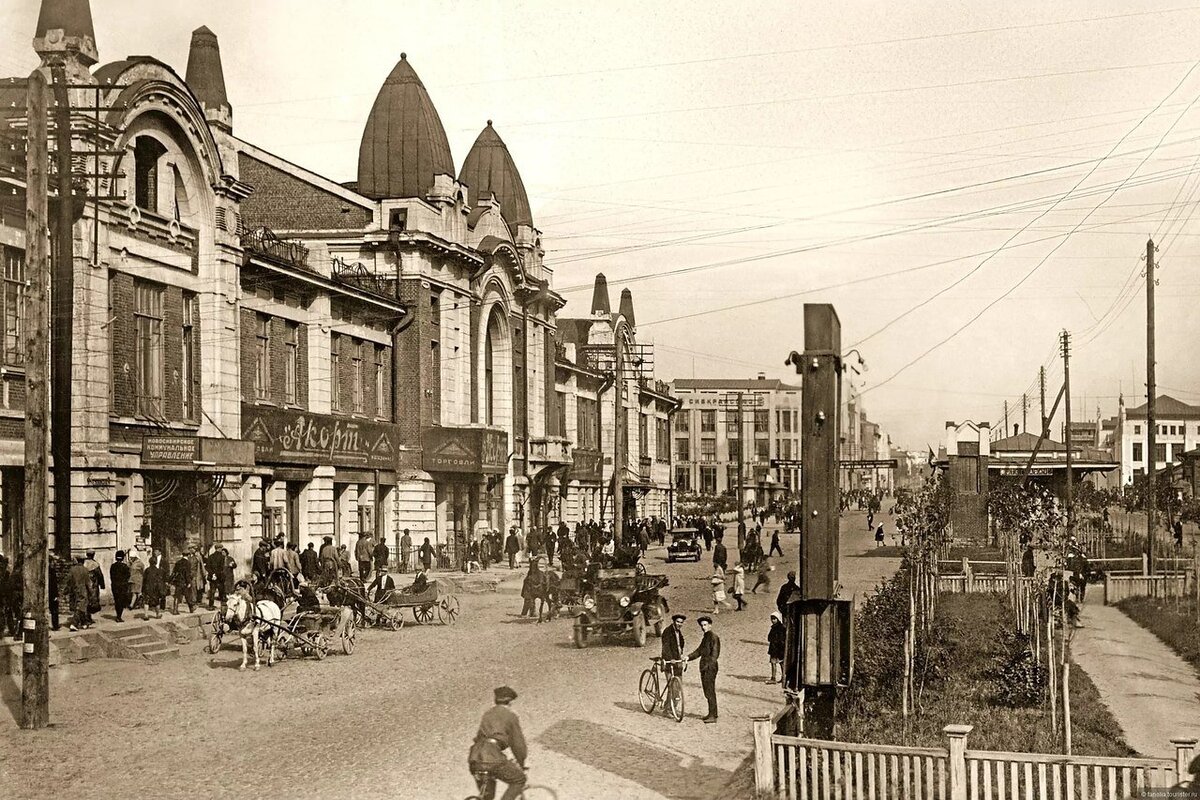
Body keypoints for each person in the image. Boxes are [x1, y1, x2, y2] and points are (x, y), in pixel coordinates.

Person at [468, 686, 528, 800]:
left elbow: (481, 737)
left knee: (487, 796)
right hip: (492, 756)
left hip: (475, 757)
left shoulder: (488, 714)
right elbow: (518, 744)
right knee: (519, 780)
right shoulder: (510, 715)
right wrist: (521, 763)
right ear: (510, 702)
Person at [687, 616, 721, 723]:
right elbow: (699, 651)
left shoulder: (714, 637)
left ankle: (713, 715)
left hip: (710, 668)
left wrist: (707, 667)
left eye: (705, 625)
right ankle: (712, 713)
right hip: (705, 668)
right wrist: (688, 657)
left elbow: (715, 655)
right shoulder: (706, 637)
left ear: (710, 625)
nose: (703, 627)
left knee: (710, 691)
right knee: (707, 691)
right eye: (702, 625)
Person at [67, 555, 91, 631]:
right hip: (82, 590)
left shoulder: (72, 570)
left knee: (79, 606)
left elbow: (69, 581)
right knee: (80, 607)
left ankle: (84, 623)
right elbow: (88, 583)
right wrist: (90, 592)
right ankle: (74, 624)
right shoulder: (85, 570)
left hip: (74, 590)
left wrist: (66, 590)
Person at [661, 613, 686, 678]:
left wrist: (681, 653)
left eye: (681, 622)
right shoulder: (667, 631)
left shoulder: (678, 631)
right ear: (674, 621)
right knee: (670, 682)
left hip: (677, 658)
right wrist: (670, 658)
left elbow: (681, 642)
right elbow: (666, 647)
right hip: (669, 659)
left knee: (679, 678)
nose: (679, 624)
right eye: (678, 622)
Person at [110, 551, 131, 623]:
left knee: (116, 600)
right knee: (121, 601)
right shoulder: (125, 566)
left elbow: (111, 576)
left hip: (115, 585)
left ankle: (118, 615)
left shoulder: (113, 566)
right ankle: (119, 616)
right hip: (122, 586)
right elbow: (128, 575)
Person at [84, 550, 104, 625]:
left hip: (85, 584)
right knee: (91, 601)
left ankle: (87, 617)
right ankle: (88, 617)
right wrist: (102, 585)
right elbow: (100, 575)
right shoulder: (95, 564)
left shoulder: (84, 563)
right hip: (93, 585)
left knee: (86, 600)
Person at [171, 551, 195, 615]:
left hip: (178, 581)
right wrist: (189, 582)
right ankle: (191, 608)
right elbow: (187, 574)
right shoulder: (188, 563)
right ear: (188, 555)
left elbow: (174, 572)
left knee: (177, 595)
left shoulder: (178, 562)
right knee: (188, 595)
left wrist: (170, 580)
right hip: (184, 581)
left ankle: (175, 610)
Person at [206, 546, 228, 610]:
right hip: (219, 578)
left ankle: (210, 606)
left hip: (212, 577)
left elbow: (207, 567)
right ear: (219, 549)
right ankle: (223, 606)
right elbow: (222, 568)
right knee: (221, 592)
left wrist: (213, 574)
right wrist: (217, 575)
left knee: (212, 592)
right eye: (221, 548)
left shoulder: (210, 556)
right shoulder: (222, 557)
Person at [767, 611, 786, 684]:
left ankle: (775, 678)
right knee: (778, 663)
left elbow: (779, 639)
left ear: (778, 619)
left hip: (777, 648)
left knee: (776, 663)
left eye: (774, 619)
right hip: (776, 648)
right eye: (772, 619)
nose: (772, 620)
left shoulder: (779, 628)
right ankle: (780, 677)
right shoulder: (776, 628)